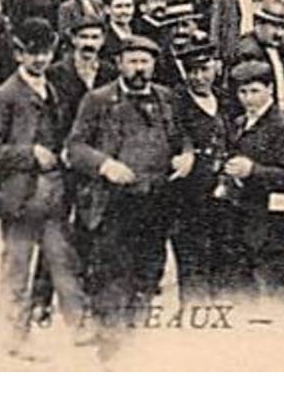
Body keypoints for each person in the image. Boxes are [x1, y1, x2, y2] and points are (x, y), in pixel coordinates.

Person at [66, 36, 191, 351]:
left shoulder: (167, 98)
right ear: (119, 64)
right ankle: (111, 344)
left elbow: (181, 138)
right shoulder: (98, 100)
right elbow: (75, 147)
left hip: (156, 199)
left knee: (149, 270)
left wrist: (187, 155)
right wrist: (106, 164)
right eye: (132, 61)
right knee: (112, 272)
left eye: (145, 61)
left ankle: (138, 334)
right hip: (114, 203)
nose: (139, 68)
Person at [0, 19, 88, 359]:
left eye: (45, 52)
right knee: (18, 267)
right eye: (32, 53)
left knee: (62, 260)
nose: (40, 60)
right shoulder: (4, 95)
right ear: (18, 54)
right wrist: (29, 154)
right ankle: (15, 336)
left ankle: (79, 327)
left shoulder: (52, 88)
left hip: (53, 194)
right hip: (19, 196)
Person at [221, 59, 284, 301]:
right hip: (242, 216)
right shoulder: (240, 123)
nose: (248, 99)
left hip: (271, 222)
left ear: (270, 89)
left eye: (254, 91)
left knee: (271, 287)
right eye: (243, 92)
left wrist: (253, 171)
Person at [167, 42, 235, 300]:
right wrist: (186, 153)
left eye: (204, 69)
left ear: (216, 67)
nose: (199, 77)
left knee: (223, 254)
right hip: (189, 193)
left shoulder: (225, 99)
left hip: (223, 191)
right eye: (192, 71)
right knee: (193, 257)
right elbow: (173, 137)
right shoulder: (176, 102)